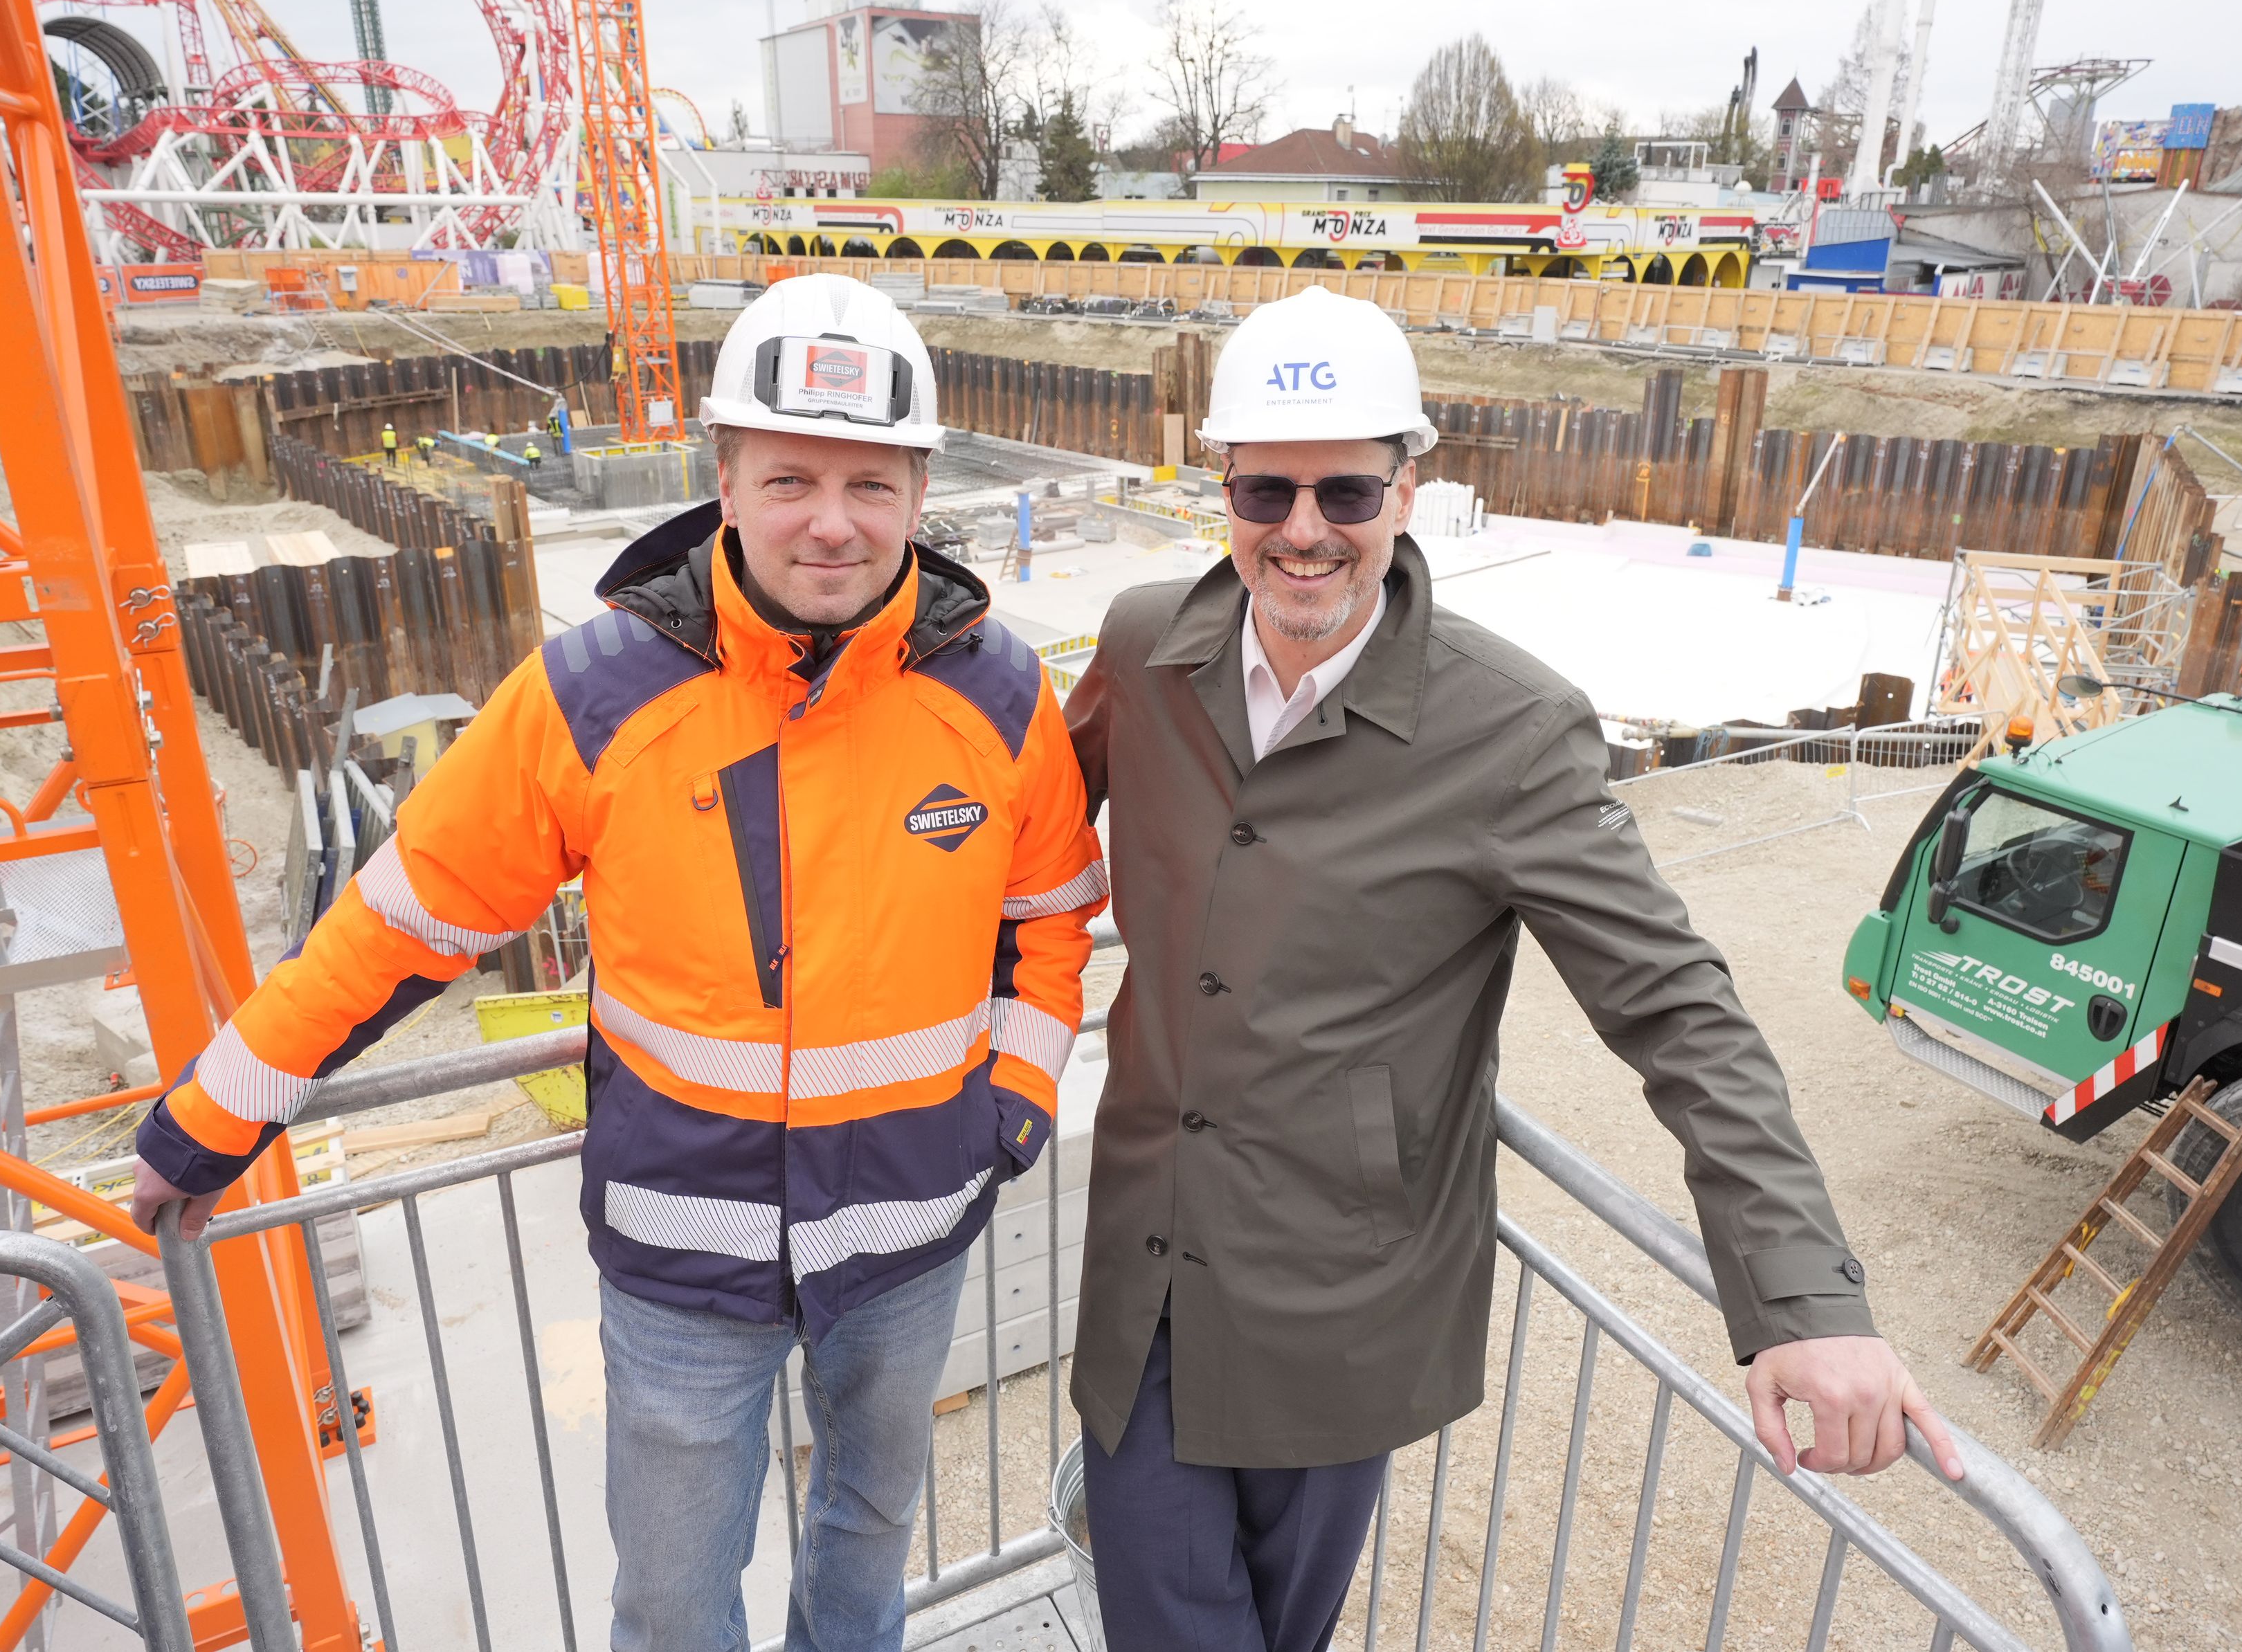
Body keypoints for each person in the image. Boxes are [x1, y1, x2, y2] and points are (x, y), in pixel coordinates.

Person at [128, 273, 1108, 1652]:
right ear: (723, 477)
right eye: (790, 478)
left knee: (869, 1532)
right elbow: (407, 917)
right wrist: (215, 1111)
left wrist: (1014, 1093)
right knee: (666, 1599)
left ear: (918, 486)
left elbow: (1053, 915)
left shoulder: (996, 694)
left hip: (908, 1229)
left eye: (869, 484)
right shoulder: (595, 693)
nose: (831, 519)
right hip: (682, 1254)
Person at [1062, 287, 1961, 1652]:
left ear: (1407, 490)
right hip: (1146, 1260)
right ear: (1223, 490)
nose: (1303, 529)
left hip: (1335, 1301)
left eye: (1346, 490)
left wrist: (1801, 1302)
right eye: (1265, 490)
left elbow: (1674, 1005)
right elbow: (991, 832)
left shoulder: (1511, 726)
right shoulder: (1142, 646)